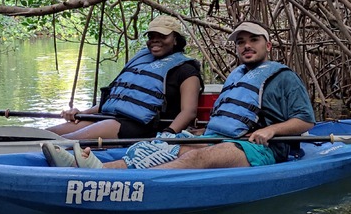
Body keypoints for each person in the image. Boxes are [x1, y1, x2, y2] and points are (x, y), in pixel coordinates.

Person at [43, 20, 315, 169]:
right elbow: (226, 120)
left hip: (263, 150)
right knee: (162, 148)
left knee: (196, 157)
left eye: (253, 40)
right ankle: (97, 171)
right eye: (241, 42)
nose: (246, 46)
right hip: (224, 139)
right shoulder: (238, 75)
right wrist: (195, 134)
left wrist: (271, 130)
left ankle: (127, 185)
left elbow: (305, 121)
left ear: (267, 44)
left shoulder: (284, 77)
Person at [44, 15, 203, 142]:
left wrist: (167, 135)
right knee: (49, 134)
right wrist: (82, 112)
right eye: (151, 36)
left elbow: (189, 112)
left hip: (144, 126)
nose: (155, 40)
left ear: (176, 39)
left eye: (162, 35)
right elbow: (119, 100)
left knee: (64, 141)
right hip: (112, 118)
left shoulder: (186, 71)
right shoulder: (143, 61)